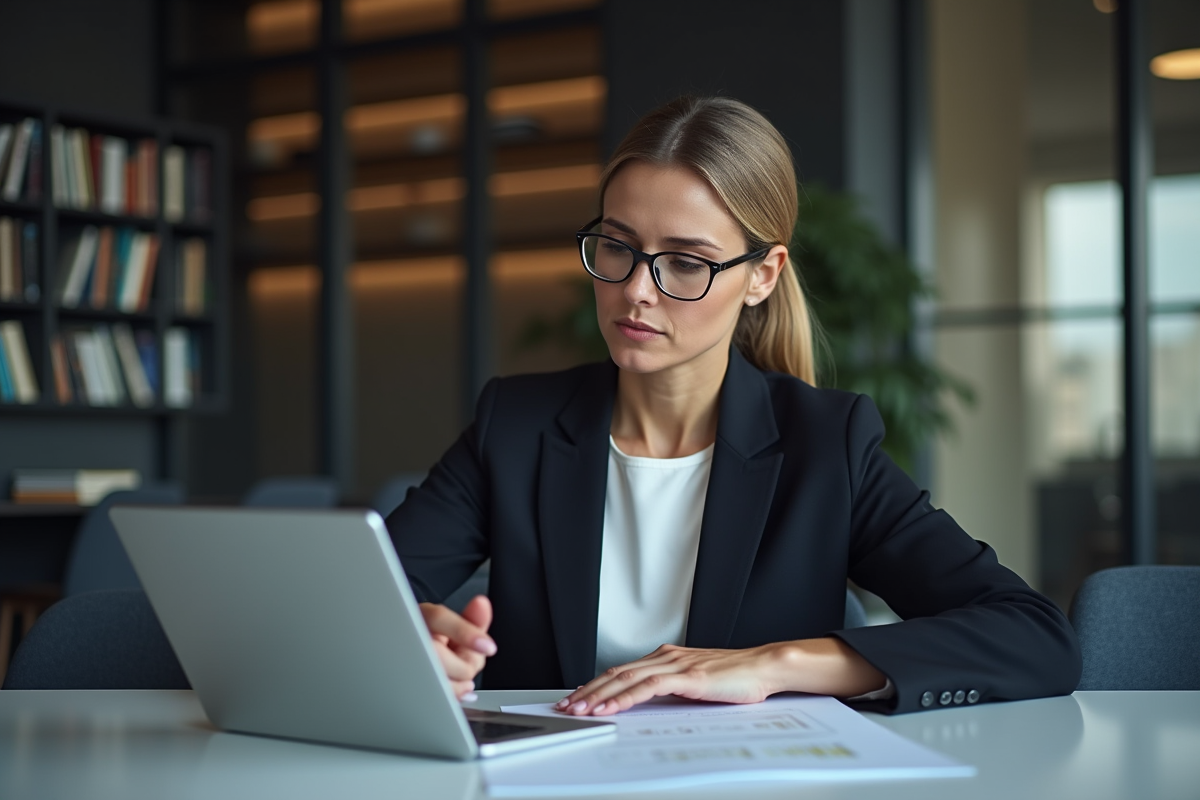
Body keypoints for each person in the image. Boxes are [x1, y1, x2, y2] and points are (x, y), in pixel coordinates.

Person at [385, 96, 1081, 716]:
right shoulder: (519, 425)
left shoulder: (825, 445)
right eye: (618, 248)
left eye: (685, 262)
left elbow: (1033, 634)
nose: (636, 291)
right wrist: (408, 636)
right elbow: (364, 598)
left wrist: (777, 665)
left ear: (762, 276)